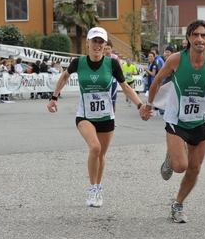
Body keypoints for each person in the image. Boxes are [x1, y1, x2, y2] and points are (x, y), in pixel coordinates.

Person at [139, 19, 205, 223]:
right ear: (188, 38)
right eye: (195, 35)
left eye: (203, 35)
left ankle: (178, 204)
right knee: (180, 166)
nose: (199, 39)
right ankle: (171, 157)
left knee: (194, 168)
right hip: (176, 120)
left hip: (199, 121)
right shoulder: (177, 59)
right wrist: (149, 105)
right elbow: (158, 79)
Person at [47, 27, 144, 208]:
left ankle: (99, 187)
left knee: (101, 154)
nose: (98, 45)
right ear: (88, 43)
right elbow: (64, 76)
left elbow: (126, 87)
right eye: (95, 41)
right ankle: (92, 188)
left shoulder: (112, 64)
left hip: (106, 116)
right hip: (85, 116)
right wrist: (54, 97)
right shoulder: (78, 62)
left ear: (105, 45)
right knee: (95, 148)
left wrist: (140, 105)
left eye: (101, 42)